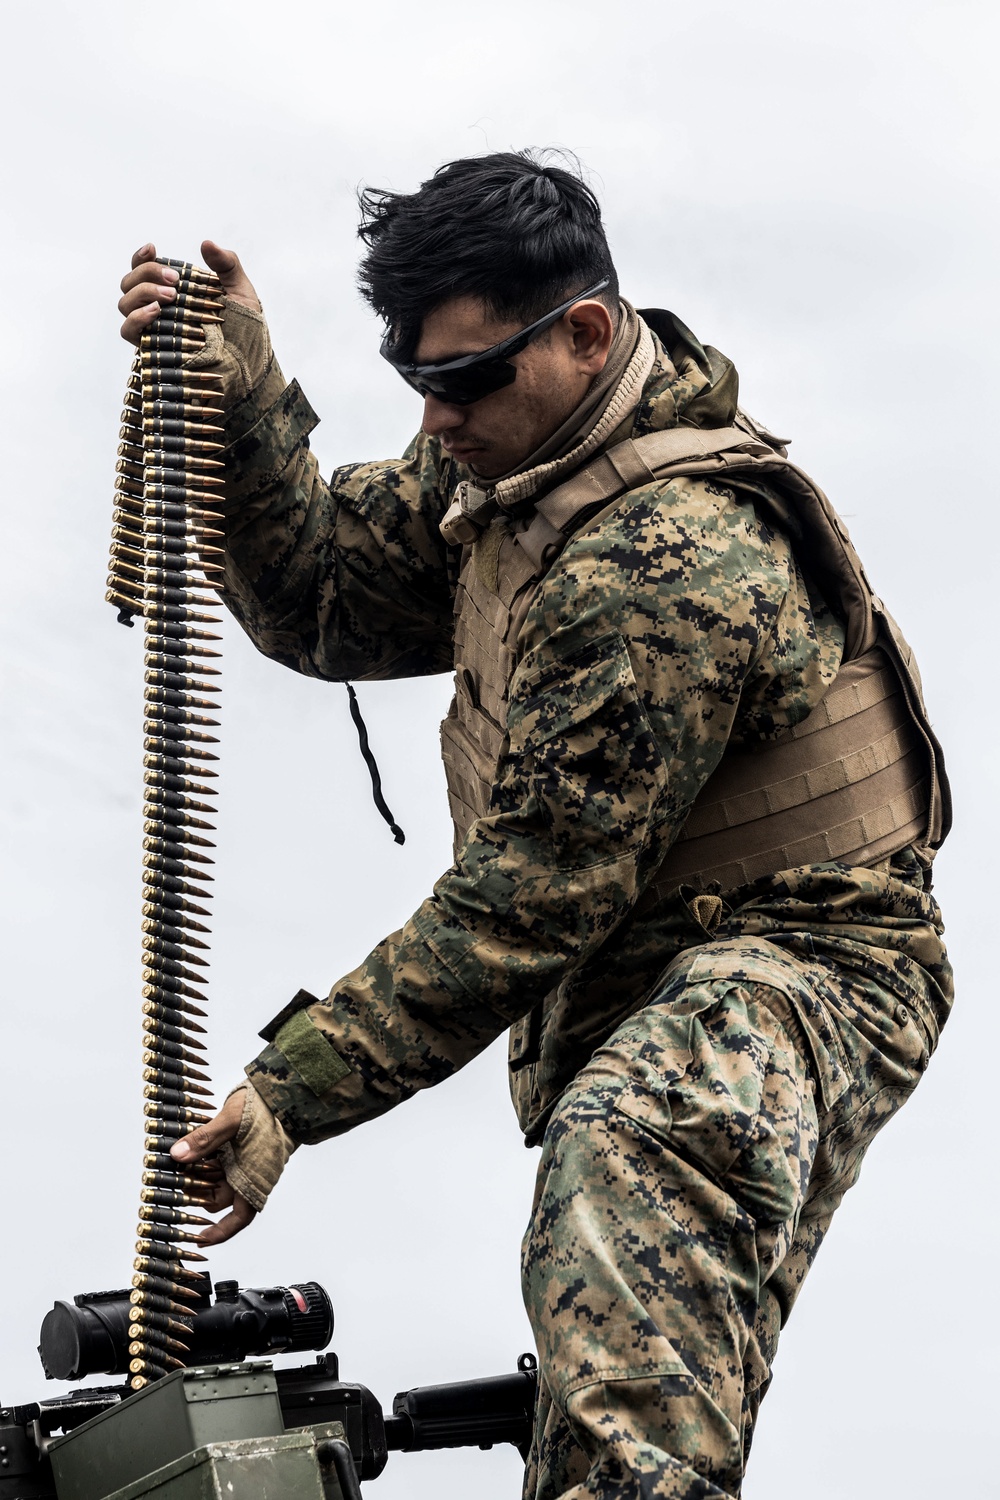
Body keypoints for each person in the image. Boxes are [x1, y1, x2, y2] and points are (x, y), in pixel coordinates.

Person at [117, 151, 954, 1500]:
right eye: (418, 383)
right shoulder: (501, 475)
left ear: (583, 333)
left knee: (634, 1145)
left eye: (466, 379)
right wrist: (246, 402)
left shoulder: (664, 557)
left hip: (812, 964)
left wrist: (291, 1092)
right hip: (644, 974)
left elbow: (534, 893)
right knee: (609, 1372)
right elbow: (323, 594)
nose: (438, 418)